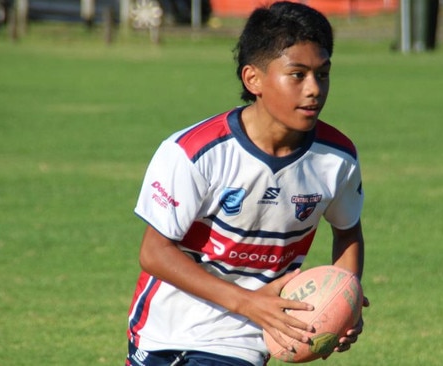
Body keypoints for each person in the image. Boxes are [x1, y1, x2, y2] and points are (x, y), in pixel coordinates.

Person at [125, 2, 369, 365]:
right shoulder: (195, 152)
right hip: (164, 330)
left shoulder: (336, 158)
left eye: (323, 73)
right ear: (252, 79)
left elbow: (347, 231)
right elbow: (154, 252)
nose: (314, 89)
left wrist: (342, 300)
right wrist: (248, 302)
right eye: (298, 74)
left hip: (243, 340)